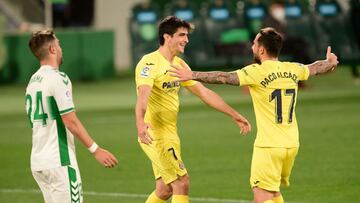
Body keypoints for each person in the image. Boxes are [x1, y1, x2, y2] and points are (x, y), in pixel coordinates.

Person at [169, 27, 338, 203]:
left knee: (261, 196)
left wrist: (192, 75)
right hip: (291, 144)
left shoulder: (256, 72)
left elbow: (224, 77)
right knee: (272, 192)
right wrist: (330, 62)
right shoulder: (293, 69)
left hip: (269, 147)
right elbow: (317, 68)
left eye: (254, 44)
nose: (252, 47)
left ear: (262, 49)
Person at [135, 16, 251, 203]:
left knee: (164, 190)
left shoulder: (179, 65)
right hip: (154, 135)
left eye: (187, 35)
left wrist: (234, 114)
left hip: (170, 133)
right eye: (181, 35)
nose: (186, 40)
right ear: (167, 37)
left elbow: (204, 92)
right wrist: (140, 123)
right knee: (182, 182)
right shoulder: (149, 64)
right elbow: (143, 98)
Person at [25, 30, 118, 203]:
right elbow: (70, 121)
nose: (61, 48)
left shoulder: (33, 80)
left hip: (39, 162)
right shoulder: (59, 78)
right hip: (59, 161)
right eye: (59, 44)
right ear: (52, 49)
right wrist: (95, 149)